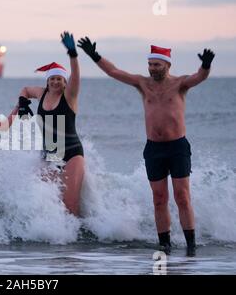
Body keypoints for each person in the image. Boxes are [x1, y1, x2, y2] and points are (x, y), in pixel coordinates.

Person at [77, 36, 215, 256]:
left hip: (177, 147)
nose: (152, 69)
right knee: (159, 199)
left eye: (156, 65)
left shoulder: (180, 84)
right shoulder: (143, 84)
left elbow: (200, 77)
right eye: (150, 64)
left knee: (182, 197)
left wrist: (206, 65)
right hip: (154, 149)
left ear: (167, 65)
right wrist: (94, 55)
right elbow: (114, 72)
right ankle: (165, 245)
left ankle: (191, 246)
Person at [18, 31, 84, 216]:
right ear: (47, 81)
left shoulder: (69, 96)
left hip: (71, 153)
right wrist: (23, 104)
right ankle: (53, 239)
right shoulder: (41, 93)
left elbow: (76, 75)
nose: (55, 82)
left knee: (70, 204)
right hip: (50, 154)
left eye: (59, 79)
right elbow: (25, 89)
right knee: (47, 202)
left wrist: (73, 54)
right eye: (52, 79)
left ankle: (79, 241)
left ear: (65, 82)